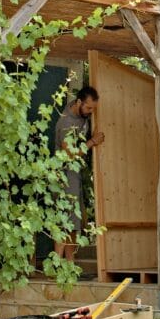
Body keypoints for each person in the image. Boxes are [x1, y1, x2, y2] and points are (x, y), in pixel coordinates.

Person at [53, 86, 105, 262]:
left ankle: (70, 265)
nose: (90, 112)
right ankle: (56, 266)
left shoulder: (80, 115)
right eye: (88, 108)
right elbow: (68, 154)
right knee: (64, 222)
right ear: (79, 102)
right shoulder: (66, 123)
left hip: (74, 175)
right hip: (63, 176)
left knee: (73, 223)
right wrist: (92, 142)